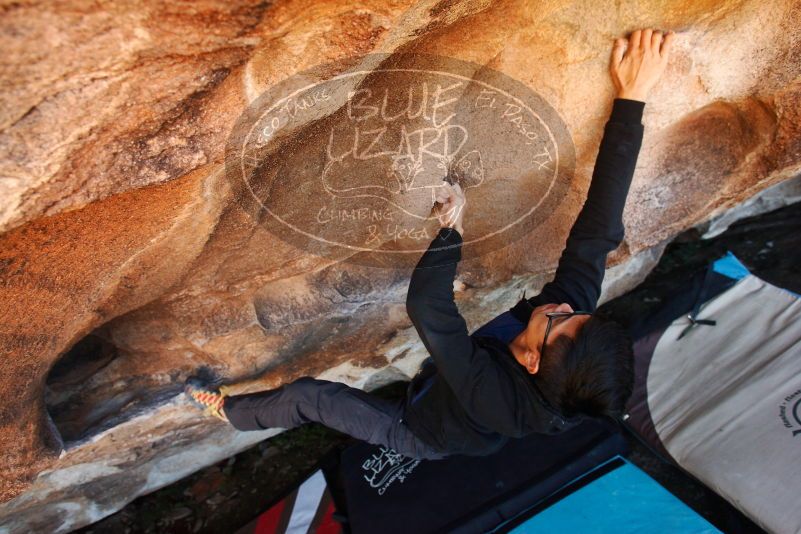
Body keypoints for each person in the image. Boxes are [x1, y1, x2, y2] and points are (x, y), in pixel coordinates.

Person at [185, 28, 675, 460]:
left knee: (313, 399)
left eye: (561, 319)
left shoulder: (494, 394)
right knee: (438, 373)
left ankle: (229, 411)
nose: (564, 304)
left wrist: (451, 230)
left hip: (421, 430)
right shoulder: (567, 336)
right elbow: (599, 227)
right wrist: (632, 99)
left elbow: (427, 305)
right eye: (580, 311)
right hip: (457, 391)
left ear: (532, 361)